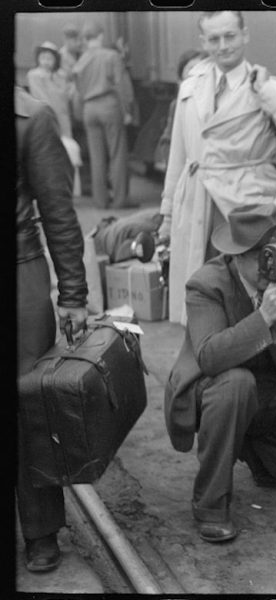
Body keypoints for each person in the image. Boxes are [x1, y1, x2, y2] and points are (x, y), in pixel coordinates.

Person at [163, 203, 276, 543]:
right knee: (236, 384)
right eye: (261, 258)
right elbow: (210, 357)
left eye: (274, 256)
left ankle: (261, 461)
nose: (270, 268)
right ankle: (210, 504)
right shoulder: (206, 284)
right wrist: (263, 318)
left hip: (272, 382)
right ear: (236, 256)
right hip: (216, 385)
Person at [159, 10, 276, 325]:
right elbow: (179, 154)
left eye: (230, 36)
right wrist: (167, 215)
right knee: (203, 292)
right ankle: (205, 363)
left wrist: (267, 95)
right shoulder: (191, 85)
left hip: (246, 206)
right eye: (214, 38)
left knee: (253, 296)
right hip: (197, 203)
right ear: (203, 41)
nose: (223, 46)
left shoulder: (269, 86)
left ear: (245, 34)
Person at [15, 85, 89, 572]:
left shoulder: (30, 117)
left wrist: (73, 295)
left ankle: (41, 530)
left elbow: (58, 210)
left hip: (19, 268)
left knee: (26, 405)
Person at [72, 21, 135, 209]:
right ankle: (119, 200)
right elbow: (122, 86)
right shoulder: (111, 56)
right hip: (109, 106)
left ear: (86, 38)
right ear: (100, 36)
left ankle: (100, 201)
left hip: (89, 109)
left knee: (96, 156)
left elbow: (77, 92)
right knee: (117, 154)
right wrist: (128, 110)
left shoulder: (80, 61)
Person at [27, 41, 83, 192]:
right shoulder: (34, 75)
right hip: (46, 120)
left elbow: (67, 97)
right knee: (47, 153)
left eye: (49, 58)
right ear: (38, 58)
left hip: (63, 121)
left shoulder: (60, 75)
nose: (46, 61)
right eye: (43, 57)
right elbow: (43, 97)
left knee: (66, 154)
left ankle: (66, 187)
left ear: (55, 60)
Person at [154, 49, 208, 173]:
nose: (198, 73)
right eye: (191, 68)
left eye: (202, 68)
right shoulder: (178, 105)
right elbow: (169, 141)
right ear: (181, 77)